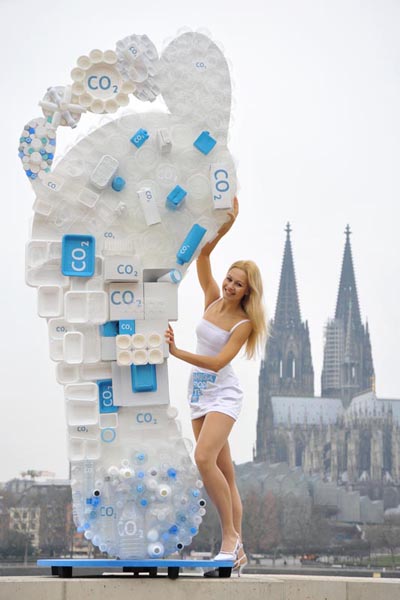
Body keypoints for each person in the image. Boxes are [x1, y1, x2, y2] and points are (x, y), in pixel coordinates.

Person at [165, 197, 267, 576]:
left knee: (204, 459)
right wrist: (227, 223)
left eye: (238, 284)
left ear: (247, 292)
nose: (229, 286)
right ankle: (239, 551)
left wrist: (177, 351)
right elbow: (203, 255)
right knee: (226, 473)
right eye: (229, 279)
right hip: (199, 394)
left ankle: (229, 539)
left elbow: (218, 362)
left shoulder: (243, 324)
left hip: (223, 394)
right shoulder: (211, 300)